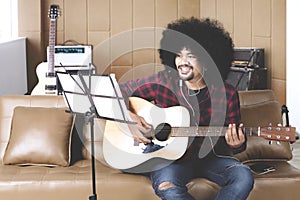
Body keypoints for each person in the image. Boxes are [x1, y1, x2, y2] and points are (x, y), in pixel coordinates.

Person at [119, 17, 254, 200]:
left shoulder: (227, 93)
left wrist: (237, 144)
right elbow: (114, 91)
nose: (182, 62)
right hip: (170, 160)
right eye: (178, 55)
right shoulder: (163, 81)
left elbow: (235, 140)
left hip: (211, 159)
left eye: (191, 56)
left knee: (243, 176)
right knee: (169, 188)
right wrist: (128, 117)